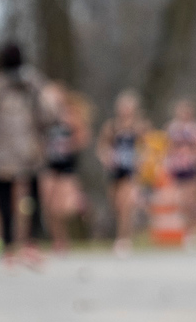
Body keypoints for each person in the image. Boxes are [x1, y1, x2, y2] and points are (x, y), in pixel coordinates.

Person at [0, 44, 48, 265]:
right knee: (27, 197)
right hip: (29, 149)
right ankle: (28, 241)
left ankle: (9, 245)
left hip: (1, 151)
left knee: (5, 198)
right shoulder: (33, 81)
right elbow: (49, 113)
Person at [38, 82, 90, 252]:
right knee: (48, 205)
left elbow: (83, 137)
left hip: (67, 165)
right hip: (48, 165)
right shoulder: (43, 118)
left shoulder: (69, 116)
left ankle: (78, 200)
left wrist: (69, 144)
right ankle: (59, 240)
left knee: (65, 207)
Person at [98, 90, 148, 254]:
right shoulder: (111, 127)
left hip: (131, 170)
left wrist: (141, 160)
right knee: (116, 205)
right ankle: (124, 235)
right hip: (115, 169)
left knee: (126, 204)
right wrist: (106, 158)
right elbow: (102, 147)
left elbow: (147, 147)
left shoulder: (139, 127)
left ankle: (123, 240)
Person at [163, 98, 196, 248]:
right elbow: (167, 147)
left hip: (193, 165)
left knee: (193, 200)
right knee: (181, 201)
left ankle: (193, 231)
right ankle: (186, 230)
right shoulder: (171, 128)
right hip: (177, 167)